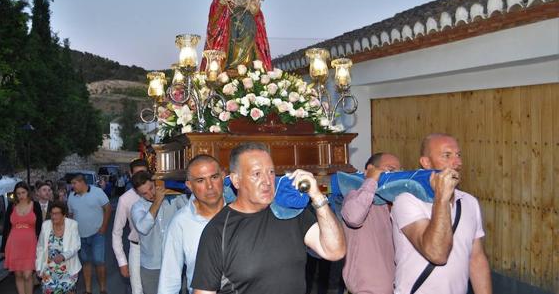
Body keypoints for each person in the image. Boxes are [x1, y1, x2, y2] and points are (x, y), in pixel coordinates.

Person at [191, 142, 345, 294]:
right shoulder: (218, 231)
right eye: (257, 174)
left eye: (271, 172)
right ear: (236, 180)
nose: (267, 181)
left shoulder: (290, 213)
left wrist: (317, 197)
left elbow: (335, 251)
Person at [391, 134, 492, 294]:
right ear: (426, 163)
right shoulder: (406, 200)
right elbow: (437, 254)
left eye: (458, 155)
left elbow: (476, 259)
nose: (457, 162)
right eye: (447, 156)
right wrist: (442, 198)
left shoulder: (469, 202)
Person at [157, 155, 226, 294]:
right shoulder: (180, 223)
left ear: (223, 176)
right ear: (189, 185)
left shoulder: (242, 213)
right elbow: (169, 280)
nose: (210, 186)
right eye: (200, 180)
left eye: (214, 177)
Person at [341, 152, 402, 294]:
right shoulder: (355, 195)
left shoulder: (398, 201)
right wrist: (371, 180)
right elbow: (354, 217)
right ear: (369, 169)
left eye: (399, 171)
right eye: (391, 170)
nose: (396, 175)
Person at [131, 171, 188, 294]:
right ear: (138, 193)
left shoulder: (173, 198)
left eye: (151, 188)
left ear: (155, 183)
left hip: (176, 263)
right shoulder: (137, 207)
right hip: (151, 268)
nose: (150, 194)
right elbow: (143, 227)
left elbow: (190, 212)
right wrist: (157, 202)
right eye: (144, 193)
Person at [67, 173, 112, 294]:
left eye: (74, 183)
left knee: (99, 261)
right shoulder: (71, 196)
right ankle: (88, 290)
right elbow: (70, 215)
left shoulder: (97, 192)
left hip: (97, 233)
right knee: (86, 262)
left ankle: (102, 289)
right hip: (80, 236)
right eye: (71, 183)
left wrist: (104, 227)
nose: (72, 186)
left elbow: (107, 208)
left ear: (82, 182)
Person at [112, 158, 150, 294]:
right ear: (130, 174)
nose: (140, 178)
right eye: (137, 174)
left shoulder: (158, 193)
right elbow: (116, 232)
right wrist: (122, 261)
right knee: (137, 290)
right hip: (137, 249)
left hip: (159, 249)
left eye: (144, 173)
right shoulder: (125, 199)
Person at [1, 181, 43, 294]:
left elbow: (40, 228)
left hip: (30, 245)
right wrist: (2, 248)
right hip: (13, 244)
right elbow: (6, 228)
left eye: (23, 192)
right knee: (18, 274)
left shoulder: (36, 205)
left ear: (28, 192)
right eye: (18, 193)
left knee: (28, 275)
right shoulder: (11, 206)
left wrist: (42, 247)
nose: (21, 195)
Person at [35, 201, 82, 294]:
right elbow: (40, 247)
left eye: (57, 214)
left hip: (68, 268)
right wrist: (38, 266)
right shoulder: (46, 225)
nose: (53, 216)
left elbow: (76, 246)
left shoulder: (72, 225)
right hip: (48, 270)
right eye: (52, 213)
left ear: (64, 215)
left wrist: (63, 256)